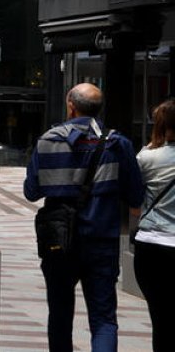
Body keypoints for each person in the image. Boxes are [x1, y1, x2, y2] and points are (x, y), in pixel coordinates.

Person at [24, 83, 143, 352]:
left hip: (59, 241)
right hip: (102, 241)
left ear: (71, 106)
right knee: (103, 319)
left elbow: (31, 192)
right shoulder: (118, 144)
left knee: (60, 315)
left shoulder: (47, 141)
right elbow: (136, 195)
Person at [133, 98, 175, 351]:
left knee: (161, 317)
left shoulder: (148, 158)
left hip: (154, 243)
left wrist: (152, 144)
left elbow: (133, 197)